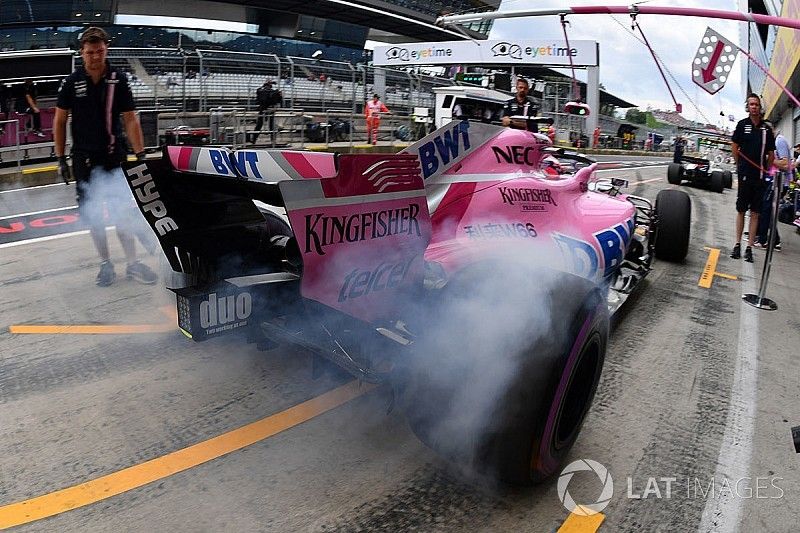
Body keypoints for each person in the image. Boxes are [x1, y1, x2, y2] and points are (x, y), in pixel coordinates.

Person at [53, 26, 157, 287]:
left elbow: (131, 119)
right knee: (93, 215)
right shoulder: (71, 82)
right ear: (82, 53)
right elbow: (59, 119)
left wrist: (140, 155)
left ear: (106, 49)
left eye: (99, 51)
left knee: (120, 211)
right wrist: (60, 157)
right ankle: (105, 264)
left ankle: (133, 264)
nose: (95, 56)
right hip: (84, 159)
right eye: (90, 52)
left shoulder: (118, 80)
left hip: (113, 157)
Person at [730, 93, 775, 263]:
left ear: (760, 107)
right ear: (747, 106)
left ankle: (749, 247)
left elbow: (771, 153)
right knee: (741, 210)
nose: (754, 107)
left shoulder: (766, 129)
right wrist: (739, 166)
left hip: (760, 177)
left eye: (756, 104)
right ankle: (737, 244)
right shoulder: (742, 125)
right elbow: (734, 147)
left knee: (755, 213)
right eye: (751, 104)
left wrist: (767, 169)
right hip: (745, 176)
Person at [754, 125, 789, 250]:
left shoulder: (779, 141)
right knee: (766, 211)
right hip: (770, 181)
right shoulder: (770, 143)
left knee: (766, 211)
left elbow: (785, 164)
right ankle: (773, 240)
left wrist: (768, 158)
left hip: (777, 182)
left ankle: (764, 240)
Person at [251, 79, 282, 145]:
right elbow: (278, 101)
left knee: (259, 125)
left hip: (262, 109)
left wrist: (266, 83)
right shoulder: (274, 92)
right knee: (271, 126)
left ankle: (254, 140)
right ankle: (273, 141)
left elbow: (258, 93)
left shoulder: (260, 91)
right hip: (270, 109)